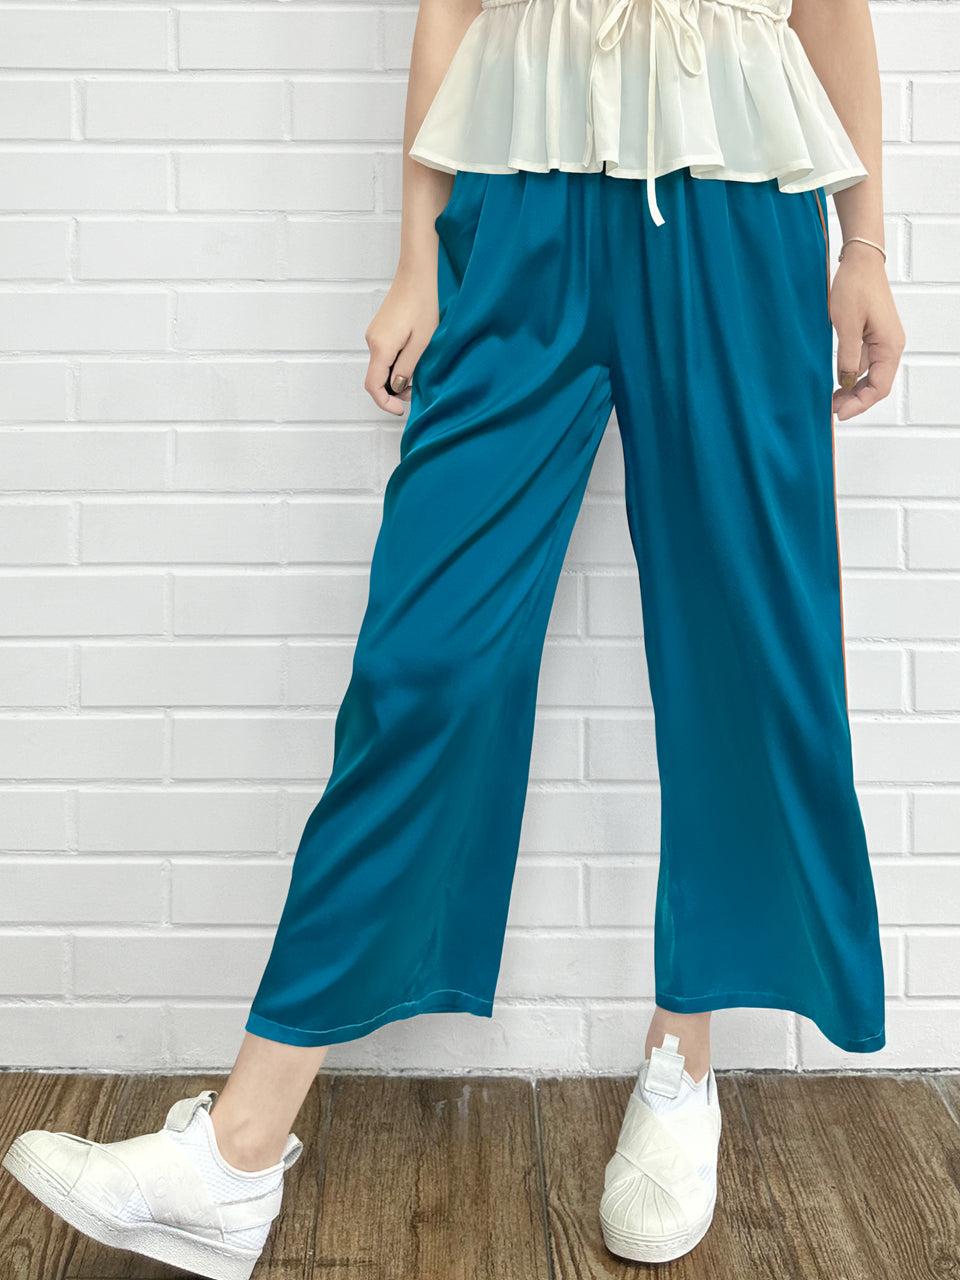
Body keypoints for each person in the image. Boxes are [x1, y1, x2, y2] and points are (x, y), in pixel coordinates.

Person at [2, 0, 904, 1275]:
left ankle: (682, 1053)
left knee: (745, 649)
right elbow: (451, 8)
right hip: (520, 202)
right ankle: (236, 1155)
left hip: (737, 203)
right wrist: (417, 257)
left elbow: (831, 11)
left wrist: (864, 243)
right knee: (426, 657)